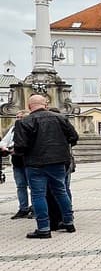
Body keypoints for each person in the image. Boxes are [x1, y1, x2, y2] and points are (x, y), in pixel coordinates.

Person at [13, 94, 78, 238]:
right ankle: (68, 222)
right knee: (61, 191)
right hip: (58, 161)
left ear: (30, 106)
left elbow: (20, 146)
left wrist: (19, 151)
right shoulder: (61, 118)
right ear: (46, 104)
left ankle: (43, 228)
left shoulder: (24, 122)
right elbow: (74, 137)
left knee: (38, 195)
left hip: (35, 164)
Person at [0, 113, 32, 219]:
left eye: (21, 117)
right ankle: (23, 208)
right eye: (17, 117)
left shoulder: (30, 127)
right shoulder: (13, 129)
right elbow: (4, 141)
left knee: (33, 187)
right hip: (17, 162)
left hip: (29, 162)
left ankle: (35, 209)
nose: (18, 119)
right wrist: (5, 147)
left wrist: (17, 149)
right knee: (20, 186)